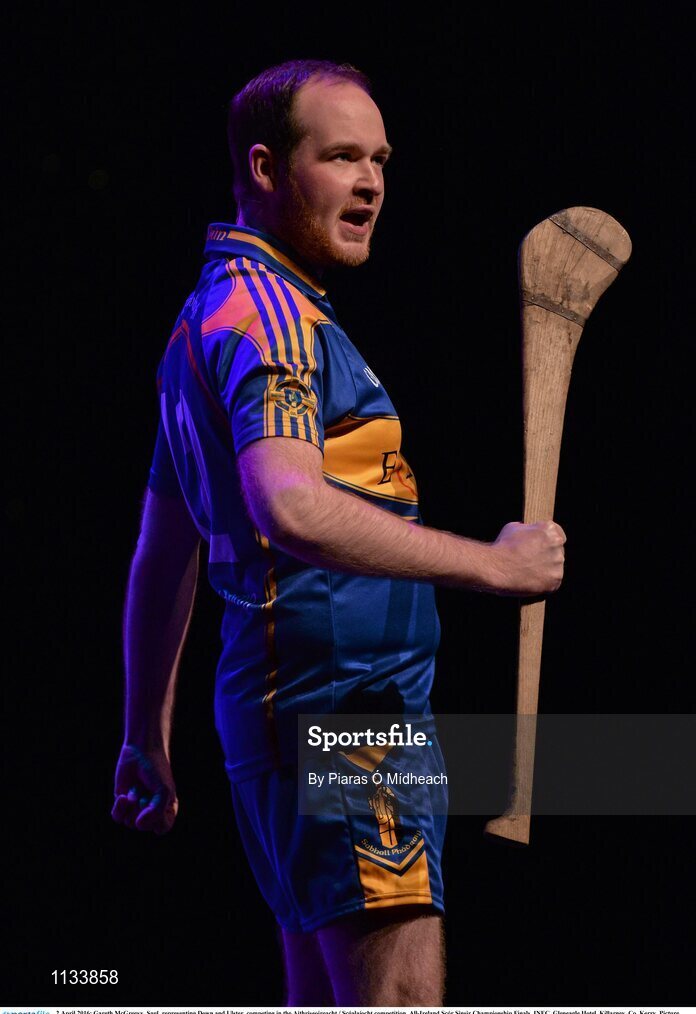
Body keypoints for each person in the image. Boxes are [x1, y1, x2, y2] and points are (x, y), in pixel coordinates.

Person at [111, 59, 566, 1006]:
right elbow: (290, 505)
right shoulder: (271, 319)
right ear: (267, 168)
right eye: (342, 157)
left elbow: (166, 549)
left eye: (381, 159)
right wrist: (492, 566)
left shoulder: (205, 321)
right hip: (348, 718)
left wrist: (144, 734)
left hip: (280, 719)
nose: (371, 183)